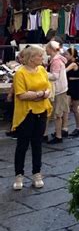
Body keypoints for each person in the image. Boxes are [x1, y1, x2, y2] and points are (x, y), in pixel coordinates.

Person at [12, 46, 52, 190]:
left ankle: (37, 173)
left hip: (41, 110)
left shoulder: (41, 70)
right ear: (31, 57)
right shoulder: (20, 73)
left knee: (37, 144)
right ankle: (18, 175)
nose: (42, 58)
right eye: (40, 56)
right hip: (26, 113)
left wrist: (38, 94)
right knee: (22, 145)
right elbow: (21, 94)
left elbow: (48, 88)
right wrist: (40, 94)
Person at [46, 41, 69, 144]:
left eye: (47, 48)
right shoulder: (59, 59)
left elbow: (55, 76)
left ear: (51, 49)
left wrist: (44, 73)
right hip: (62, 88)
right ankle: (56, 134)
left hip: (58, 90)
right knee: (58, 113)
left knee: (57, 114)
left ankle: (58, 136)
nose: (45, 50)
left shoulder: (55, 61)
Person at [65, 48, 79, 137]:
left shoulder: (73, 64)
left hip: (74, 87)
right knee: (70, 108)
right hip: (76, 86)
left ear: (72, 55)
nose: (65, 56)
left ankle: (77, 127)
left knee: (73, 108)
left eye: (67, 54)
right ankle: (70, 128)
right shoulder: (78, 63)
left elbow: (64, 71)